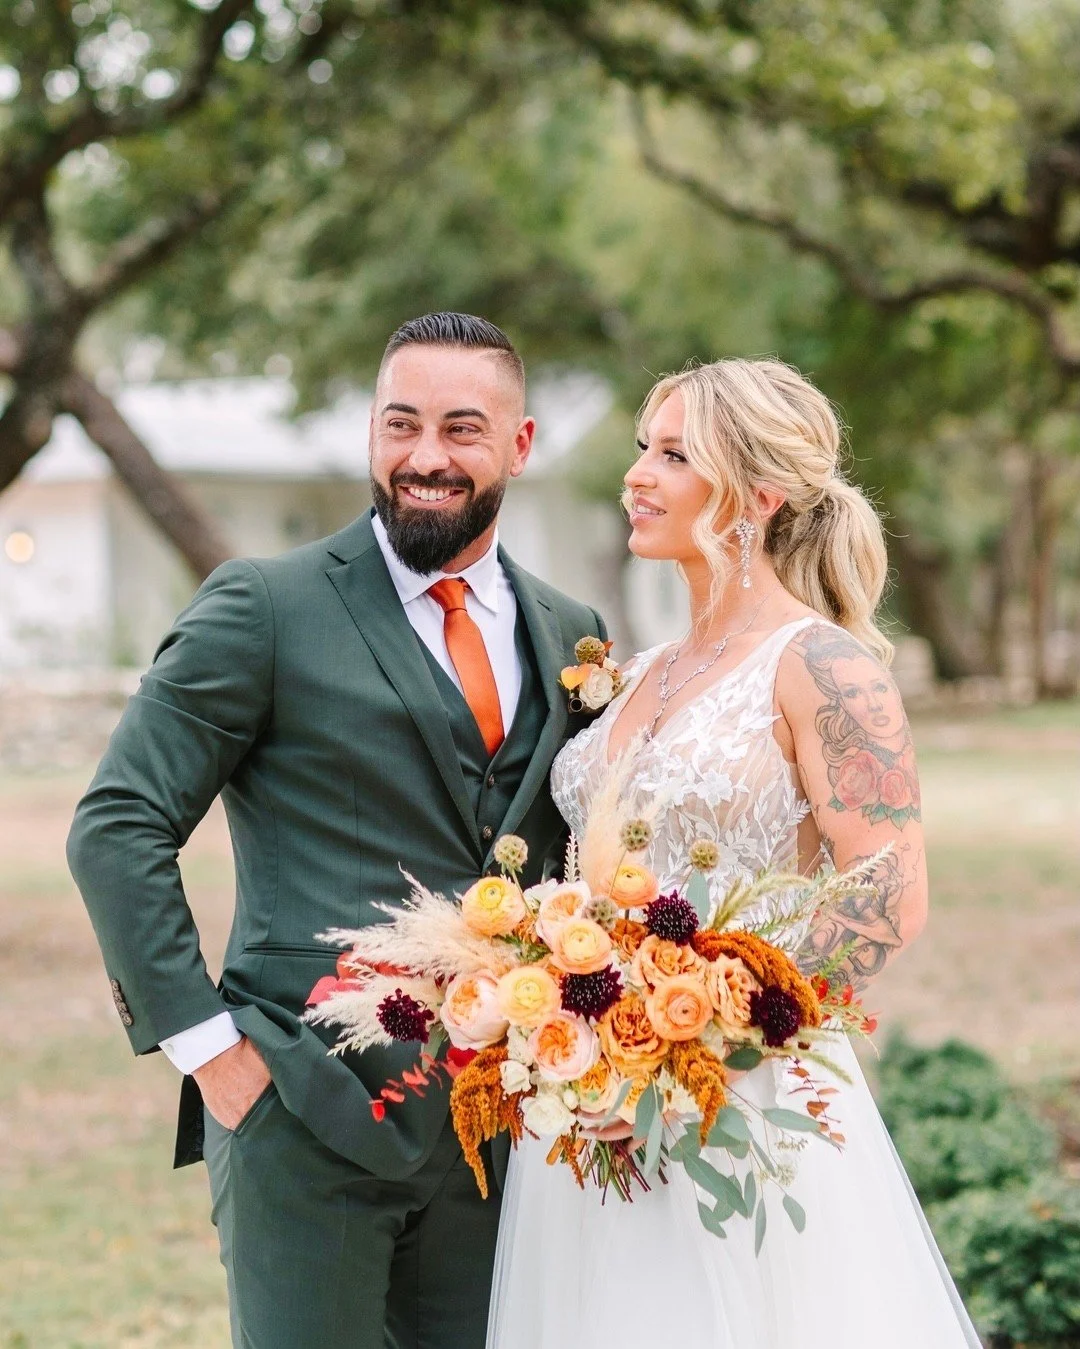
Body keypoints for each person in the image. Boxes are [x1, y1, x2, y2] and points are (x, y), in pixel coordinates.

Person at [66, 312, 607, 1349]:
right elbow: (116, 824)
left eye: (461, 429)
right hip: (303, 1114)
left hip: (502, 1133)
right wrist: (209, 1051)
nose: (425, 457)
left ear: (520, 445)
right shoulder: (262, 608)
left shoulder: (571, 629)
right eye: (399, 424)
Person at [486, 358, 982, 1347]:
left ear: (760, 494)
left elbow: (890, 895)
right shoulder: (635, 673)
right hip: (593, 1103)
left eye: (674, 454)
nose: (639, 473)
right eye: (643, 448)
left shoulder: (823, 666)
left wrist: (694, 1056)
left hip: (745, 1097)